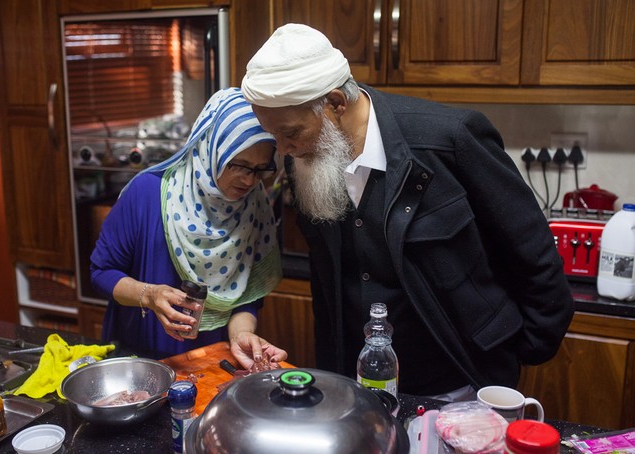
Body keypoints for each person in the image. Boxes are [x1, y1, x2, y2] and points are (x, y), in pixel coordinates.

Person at [241, 24, 574, 400]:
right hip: (359, 384)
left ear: (335, 104)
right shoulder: (304, 160)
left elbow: (534, 254)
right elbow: (326, 280)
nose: (283, 150)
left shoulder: (451, 140)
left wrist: (515, 356)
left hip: (460, 382)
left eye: (291, 133)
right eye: (274, 136)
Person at [90, 87, 287, 369]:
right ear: (209, 149)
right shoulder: (148, 193)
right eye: (238, 164)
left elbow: (247, 297)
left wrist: (242, 334)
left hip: (212, 360)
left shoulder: (254, 207)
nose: (249, 180)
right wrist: (150, 295)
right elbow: (102, 272)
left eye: (260, 169)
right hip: (142, 358)